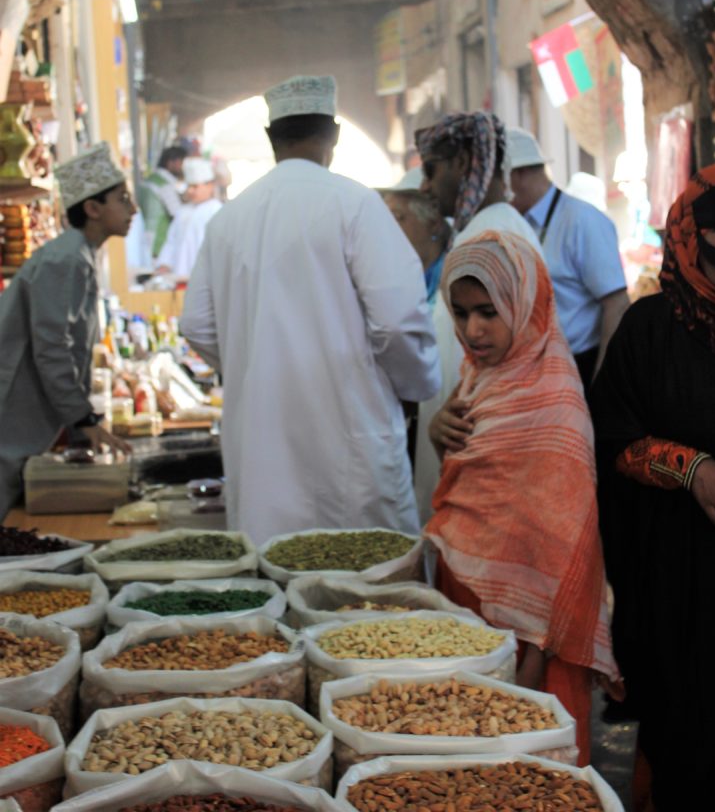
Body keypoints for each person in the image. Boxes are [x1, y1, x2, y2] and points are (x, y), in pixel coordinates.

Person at [180, 74, 440, 544]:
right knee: (370, 595)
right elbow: (399, 323)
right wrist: (414, 387)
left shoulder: (228, 219)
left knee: (277, 586)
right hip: (352, 435)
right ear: (334, 134)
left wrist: (251, 363)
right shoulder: (356, 205)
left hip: (263, 451)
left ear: (270, 138)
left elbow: (196, 323)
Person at [590, 163, 715, 812]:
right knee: (695, 749)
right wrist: (689, 469)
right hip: (685, 590)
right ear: (688, 242)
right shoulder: (650, 331)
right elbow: (609, 442)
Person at [425, 230, 618, 765]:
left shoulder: (554, 400)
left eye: (488, 311)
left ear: (525, 303)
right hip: (469, 613)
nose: (472, 330)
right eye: (460, 313)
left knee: (529, 767)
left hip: (533, 640)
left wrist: (530, 658)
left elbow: (556, 548)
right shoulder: (479, 378)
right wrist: (436, 431)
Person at [412, 112, 540, 522]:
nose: (425, 186)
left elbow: (508, 363)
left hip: (484, 446)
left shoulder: (493, 237)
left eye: (432, 170)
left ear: (465, 163)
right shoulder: (491, 228)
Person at [0, 143, 133, 519]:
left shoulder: (81, 256)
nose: (133, 210)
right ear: (92, 209)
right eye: (122, 200)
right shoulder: (65, 259)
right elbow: (52, 347)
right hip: (11, 415)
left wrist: (81, 424)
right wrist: (83, 419)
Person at [505, 127, 628, 387]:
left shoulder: (582, 220)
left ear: (519, 174)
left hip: (582, 365)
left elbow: (616, 304)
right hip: (542, 369)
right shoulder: (519, 223)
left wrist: (602, 381)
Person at [380, 167, 451, 305]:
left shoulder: (453, 279)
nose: (386, 227)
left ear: (433, 224)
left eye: (396, 217)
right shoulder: (391, 275)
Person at [156, 157, 223, 279]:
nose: (191, 191)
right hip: (180, 276)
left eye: (195, 186)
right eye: (189, 187)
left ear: (209, 186)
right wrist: (164, 264)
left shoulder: (217, 211)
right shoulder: (182, 211)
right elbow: (171, 241)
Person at [139, 145, 186, 261]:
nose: (184, 168)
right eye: (182, 163)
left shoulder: (150, 179)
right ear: (171, 163)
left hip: (145, 238)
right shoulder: (164, 185)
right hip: (158, 243)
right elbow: (178, 214)